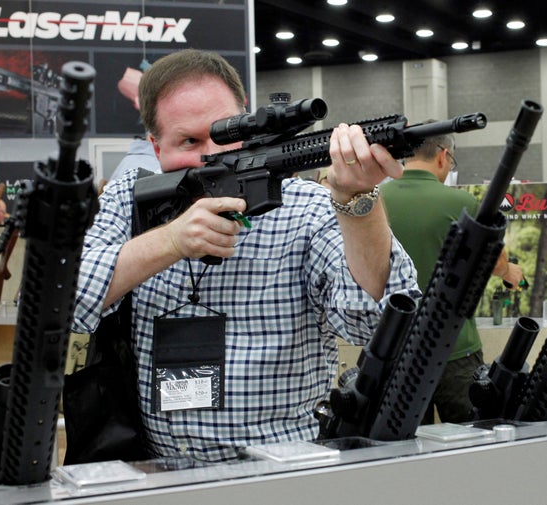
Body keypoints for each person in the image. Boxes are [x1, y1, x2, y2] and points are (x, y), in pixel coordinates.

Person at [72, 49, 418, 462]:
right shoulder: (130, 200)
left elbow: (375, 324)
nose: (211, 155)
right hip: (159, 475)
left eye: (221, 135)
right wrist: (171, 242)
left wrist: (359, 201)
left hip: (283, 477)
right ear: (155, 146)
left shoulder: (306, 208)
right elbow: (64, 303)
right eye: (188, 141)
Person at [379, 127, 524, 424]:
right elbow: (495, 264)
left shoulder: (376, 200)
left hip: (393, 347)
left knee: (400, 445)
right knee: (472, 438)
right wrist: (512, 273)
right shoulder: (463, 205)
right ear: (444, 156)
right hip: (454, 347)